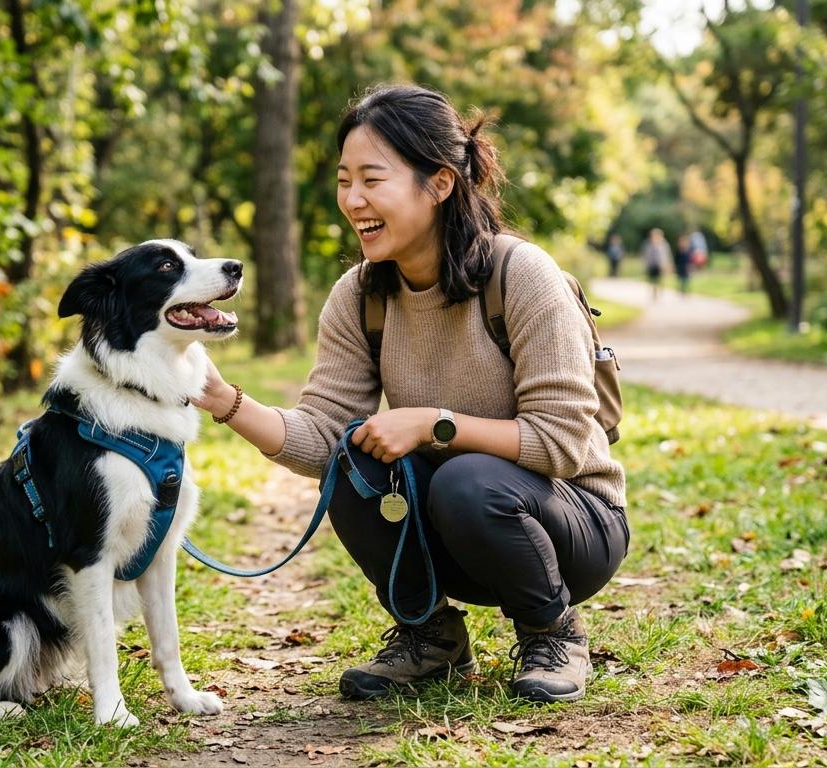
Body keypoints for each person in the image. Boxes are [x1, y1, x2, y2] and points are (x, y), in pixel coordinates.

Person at [191, 84, 628, 705]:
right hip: (458, 529)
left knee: (468, 479)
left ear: (441, 183)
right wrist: (225, 401)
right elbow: (323, 439)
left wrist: (434, 425)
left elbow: (561, 444)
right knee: (356, 459)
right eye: (344, 180)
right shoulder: (361, 295)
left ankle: (551, 632)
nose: (352, 200)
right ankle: (431, 636)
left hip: (570, 523)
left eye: (373, 178)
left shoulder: (522, 275)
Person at [641, 228, 668, 301]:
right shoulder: (648, 245)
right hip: (651, 265)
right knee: (652, 280)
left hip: (660, 265)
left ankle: (659, 291)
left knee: (660, 280)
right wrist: (645, 265)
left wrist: (665, 265)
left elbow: (665, 256)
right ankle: (654, 293)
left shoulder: (663, 245)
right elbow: (646, 256)